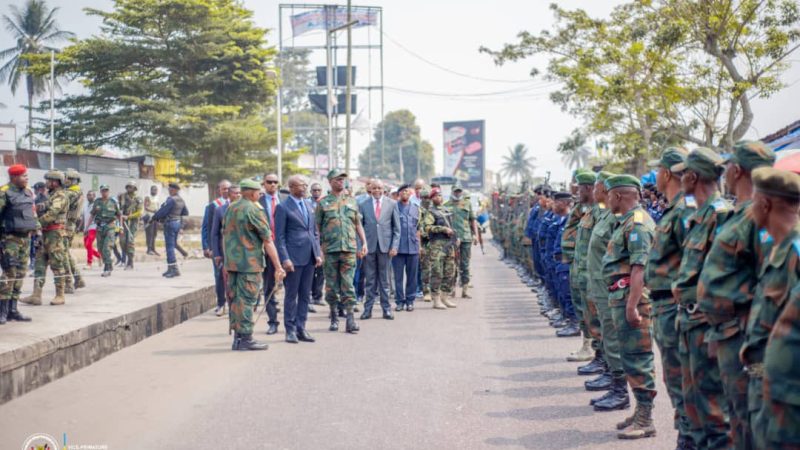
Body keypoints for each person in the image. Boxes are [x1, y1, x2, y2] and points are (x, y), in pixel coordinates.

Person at [697, 141, 775, 450]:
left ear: (737, 170)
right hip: (728, 333)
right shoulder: (739, 214)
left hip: (745, 337)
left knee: (748, 419)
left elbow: (771, 279)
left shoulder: (760, 219)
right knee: (736, 416)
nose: (725, 172)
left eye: (728, 166)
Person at [672, 147, 733, 449]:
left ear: (693, 176)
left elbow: (723, 280)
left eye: (683, 173)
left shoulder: (720, 216)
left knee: (714, 410)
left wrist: (714, 329)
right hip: (689, 322)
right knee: (693, 402)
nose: (679, 178)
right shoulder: (700, 216)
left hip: (705, 324)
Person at [601, 174, 658, 440]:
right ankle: (639, 412)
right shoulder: (624, 222)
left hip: (632, 298)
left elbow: (639, 268)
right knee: (629, 357)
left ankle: (646, 418)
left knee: (639, 358)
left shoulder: (637, 224)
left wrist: (632, 305)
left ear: (619, 196)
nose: (607, 199)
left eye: (609, 194)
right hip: (621, 296)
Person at [645, 147, 694, 449]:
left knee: (682, 382)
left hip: (675, 307)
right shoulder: (674, 209)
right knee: (675, 381)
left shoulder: (683, 212)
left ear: (665, 174)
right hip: (666, 306)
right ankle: (686, 436)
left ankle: (689, 439)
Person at [751, 167, 800, 449]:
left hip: (791, 398)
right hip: (770, 389)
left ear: (765, 204)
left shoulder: (796, 250)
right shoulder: (778, 249)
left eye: (754, 201)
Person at [224, 178, 285, 351]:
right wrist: (278, 266)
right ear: (252, 193)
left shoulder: (231, 208)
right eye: (259, 192)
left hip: (233, 263)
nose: (260, 194)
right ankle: (246, 339)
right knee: (247, 300)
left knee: (236, 299)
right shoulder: (254, 210)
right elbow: (267, 240)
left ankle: (237, 337)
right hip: (249, 264)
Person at [315, 169, 367, 334]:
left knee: (348, 284)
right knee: (331, 286)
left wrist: (364, 242)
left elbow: (357, 223)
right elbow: (317, 229)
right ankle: (334, 316)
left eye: (343, 179)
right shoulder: (323, 203)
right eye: (337, 179)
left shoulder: (352, 201)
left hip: (349, 249)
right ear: (330, 182)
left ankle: (350, 319)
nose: (341, 182)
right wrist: (319, 250)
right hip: (330, 250)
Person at [274, 175, 321, 343]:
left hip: (309, 257)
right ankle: (290, 330)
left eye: (306, 185)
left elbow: (314, 232)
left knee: (305, 295)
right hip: (293, 259)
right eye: (302, 185)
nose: (306, 187)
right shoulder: (283, 207)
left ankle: (302, 327)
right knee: (291, 295)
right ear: (292, 187)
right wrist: (285, 259)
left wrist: (318, 254)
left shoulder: (309, 205)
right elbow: (279, 237)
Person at [22, 170, 69, 306]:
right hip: (45, 233)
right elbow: (44, 206)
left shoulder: (60, 196)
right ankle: (36, 295)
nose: (46, 183)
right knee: (39, 264)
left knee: (57, 264)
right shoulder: (51, 195)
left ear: (55, 182)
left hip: (55, 234)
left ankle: (60, 295)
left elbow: (52, 214)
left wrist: (35, 223)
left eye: (49, 180)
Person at [359, 179, 400, 320]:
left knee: (384, 280)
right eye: (374, 188)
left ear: (384, 189)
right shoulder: (363, 204)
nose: (377, 190)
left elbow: (397, 229)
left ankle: (386, 309)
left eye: (379, 188)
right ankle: (367, 309)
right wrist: (361, 246)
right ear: (370, 189)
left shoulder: (392, 204)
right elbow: (360, 227)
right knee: (370, 280)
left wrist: (394, 246)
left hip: (385, 247)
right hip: (369, 247)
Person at [0, 164, 36, 324]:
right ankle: (3, 311)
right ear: (14, 177)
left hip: (26, 239)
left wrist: (39, 232)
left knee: (21, 273)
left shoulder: (28, 192)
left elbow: (32, 214)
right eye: (24, 176)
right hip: (10, 239)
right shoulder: (4, 192)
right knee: (9, 273)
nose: (27, 178)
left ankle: (13, 310)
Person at [422, 187, 457, 310]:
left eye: (440, 196)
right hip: (437, 245)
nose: (439, 198)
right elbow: (427, 227)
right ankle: (436, 299)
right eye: (436, 196)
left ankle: (445, 297)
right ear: (432, 198)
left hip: (449, 245)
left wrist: (455, 236)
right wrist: (443, 229)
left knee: (450, 272)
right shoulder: (431, 212)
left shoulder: (447, 210)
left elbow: (452, 226)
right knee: (437, 272)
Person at [202, 180, 231, 317]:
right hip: (217, 248)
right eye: (224, 188)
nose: (226, 191)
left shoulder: (235, 205)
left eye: (228, 188)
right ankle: (221, 303)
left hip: (233, 248)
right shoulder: (213, 206)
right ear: (219, 190)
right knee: (219, 275)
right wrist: (207, 246)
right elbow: (207, 228)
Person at [210, 185, 240, 316]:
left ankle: (239, 308)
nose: (238, 196)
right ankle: (224, 305)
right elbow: (214, 233)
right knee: (224, 280)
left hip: (243, 253)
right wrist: (216, 253)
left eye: (240, 193)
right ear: (229, 195)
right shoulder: (220, 210)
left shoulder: (245, 209)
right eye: (235, 193)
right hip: (225, 252)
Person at [445, 183, 478, 299]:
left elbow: (473, 220)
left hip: (466, 238)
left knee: (465, 264)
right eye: (456, 191)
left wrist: (476, 235)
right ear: (452, 191)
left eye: (459, 191)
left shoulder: (467, 204)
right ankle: (452, 289)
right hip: (452, 239)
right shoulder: (446, 205)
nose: (458, 193)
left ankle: (465, 289)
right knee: (452, 264)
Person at [258, 173, 282, 335]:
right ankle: (273, 322)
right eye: (269, 182)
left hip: (287, 250)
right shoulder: (257, 203)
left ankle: (294, 324)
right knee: (269, 287)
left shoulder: (286, 200)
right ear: (263, 184)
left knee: (292, 289)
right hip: (266, 250)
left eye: (275, 182)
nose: (272, 184)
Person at [393, 184, 422, 312]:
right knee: (398, 277)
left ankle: (410, 301)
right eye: (402, 191)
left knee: (412, 276)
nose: (405, 193)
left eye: (407, 191)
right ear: (399, 193)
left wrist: (419, 246)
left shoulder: (416, 209)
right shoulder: (393, 207)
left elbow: (418, 229)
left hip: (413, 247)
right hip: (398, 248)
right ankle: (399, 301)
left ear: (410, 193)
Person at [152, 183, 188, 278]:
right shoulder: (181, 200)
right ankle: (170, 268)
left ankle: (174, 269)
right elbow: (185, 213)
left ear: (175, 190)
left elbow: (162, 211)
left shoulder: (171, 200)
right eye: (169, 189)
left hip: (170, 224)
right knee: (173, 244)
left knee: (169, 247)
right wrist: (181, 225)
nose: (169, 191)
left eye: (171, 190)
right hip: (177, 223)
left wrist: (154, 217)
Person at [89, 185, 121, 277]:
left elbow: (119, 215)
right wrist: (87, 227)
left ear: (109, 191)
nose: (105, 192)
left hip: (110, 227)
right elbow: (92, 215)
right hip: (99, 228)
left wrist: (121, 227)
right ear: (100, 192)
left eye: (106, 191)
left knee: (107, 248)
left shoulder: (113, 202)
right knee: (100, 249)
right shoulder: (97, 202)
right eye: (103, 191)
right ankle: (109, 264)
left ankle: (107, 268)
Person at [63, 169, 86, 292]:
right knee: (66, 253)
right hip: (70, 225)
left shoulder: (70, 193)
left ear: (71, 179)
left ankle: (69, 283)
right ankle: (78, 278)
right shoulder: (78, 192)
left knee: (63, 255)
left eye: (66, 178)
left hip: (66, 225)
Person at [118, 181, 143, 270]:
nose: (129, 188)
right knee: (122, 241)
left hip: (133, 223)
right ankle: (126, 256)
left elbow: (139, 212)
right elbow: (119, 208)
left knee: (130, 241)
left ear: (134, 189)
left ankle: (130, 262)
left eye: (131, 187)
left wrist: (129, 217)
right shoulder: (122, 197)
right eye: (128, 187)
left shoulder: (138, 199)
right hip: (123, 222)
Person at [309, 182, 325, 308]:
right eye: (314, 190)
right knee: (310, 270)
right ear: (311, 191)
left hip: (322, 241)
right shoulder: (306, 204)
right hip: (310, 241)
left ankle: (318, 296)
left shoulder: (325, 204)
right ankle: (308, 295)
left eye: (318, 190)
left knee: (321, 271)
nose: (316, 192)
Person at [81, 191, 102, 269]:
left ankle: (89, 263)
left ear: (94, 196)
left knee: (89, 244)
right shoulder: (85, 205)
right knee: (86, 246)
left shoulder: (96, 205)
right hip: (86, 227)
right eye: (88, 195)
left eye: (91, 195)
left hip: (93, 227)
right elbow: (83, 217)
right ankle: (99, 256)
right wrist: (80, 226)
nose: (89, 196)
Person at [143, 185, 160, 256]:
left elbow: (157, 207)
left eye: (156, 190)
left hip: (155, 217)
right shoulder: (148, 197)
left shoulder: (157, 198)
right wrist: (153, 211)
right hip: (148, 217)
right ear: (151, 190)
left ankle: (153, 249)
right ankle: (148, 249)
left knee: (154, 234)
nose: (155, 191)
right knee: (149, 234)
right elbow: (146, 207)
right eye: (153, 190)